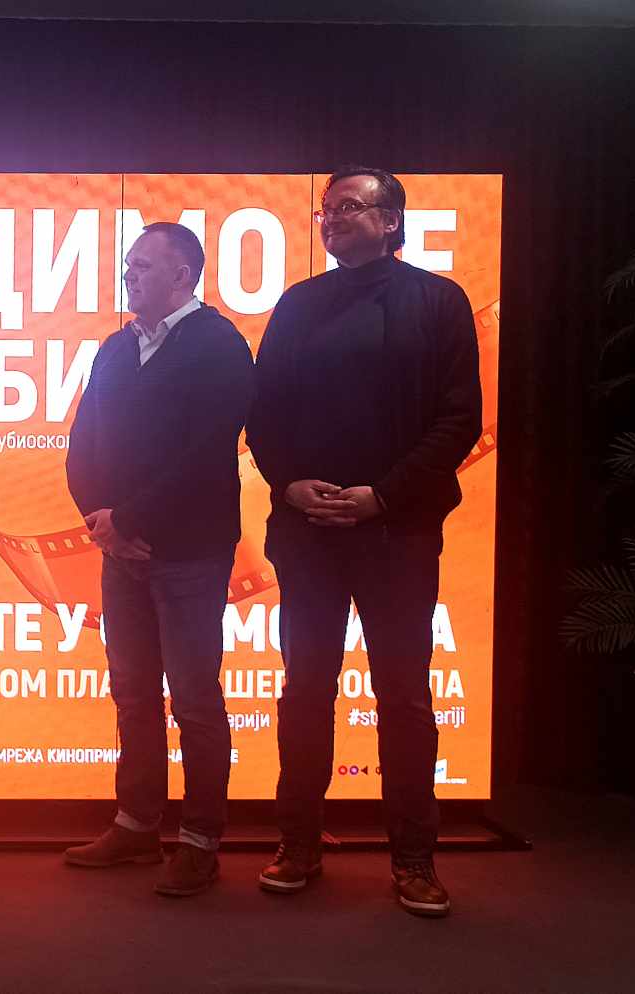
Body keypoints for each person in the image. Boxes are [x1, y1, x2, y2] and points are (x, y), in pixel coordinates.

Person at [246, 166, 481, 917]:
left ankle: (414, 860)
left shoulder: (438, 302)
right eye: (327, 209)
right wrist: (289, 483)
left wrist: (383, 495)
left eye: (349, 206)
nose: (332, 218)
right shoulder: (298, 304)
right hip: (308, 532)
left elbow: (459, 420)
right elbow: (263, 414)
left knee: (404, 698)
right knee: (305, 690)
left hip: (398, 531)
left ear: (391, 220)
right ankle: (298, 844)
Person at [61, 222, 254, 896]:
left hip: (189, 553)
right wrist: (103, 522)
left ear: (182, 275)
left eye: (143, 265)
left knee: (194, 699)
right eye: (128, 265)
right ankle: (137, 826)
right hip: (122, 552)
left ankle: (200, 842)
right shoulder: (117, 348)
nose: (129, 275)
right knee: (133, 692)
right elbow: (83, 442)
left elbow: (205, 453)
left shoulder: (218, 345)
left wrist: (130, 520)